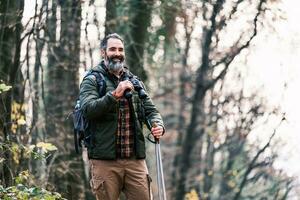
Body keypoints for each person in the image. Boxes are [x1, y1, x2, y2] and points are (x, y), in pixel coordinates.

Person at [79, 33, 165, 200]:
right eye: (112, 49)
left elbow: (151, 111)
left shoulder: (135, 81)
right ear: (103, 52)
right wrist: (114, 96)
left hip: (135, 160)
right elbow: (88, 110)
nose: (117, 53)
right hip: (105, 161)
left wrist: (157, 125)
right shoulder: (92, 80)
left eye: (120, 49)